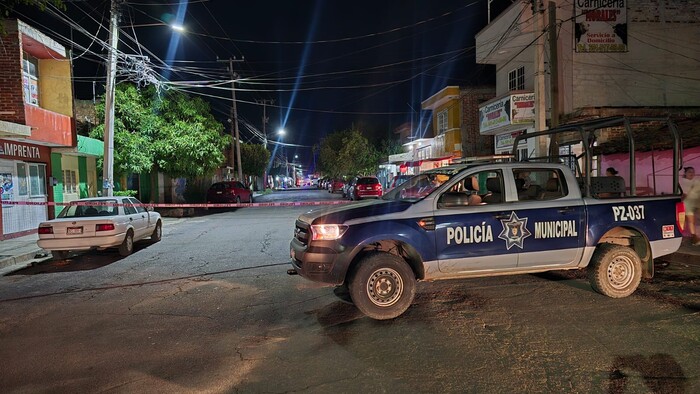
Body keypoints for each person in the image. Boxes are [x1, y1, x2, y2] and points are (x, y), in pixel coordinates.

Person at [680, 166, 700, 245]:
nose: (692, 173)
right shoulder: (684, 182)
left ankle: (692, 238)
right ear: (685, 173)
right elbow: (684, 194)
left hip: (694, 204)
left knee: (689, 221)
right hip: (686, 204)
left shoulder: (696, 181)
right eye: (689, 172)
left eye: (693, 172)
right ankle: (693, 238)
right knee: (689, 221)